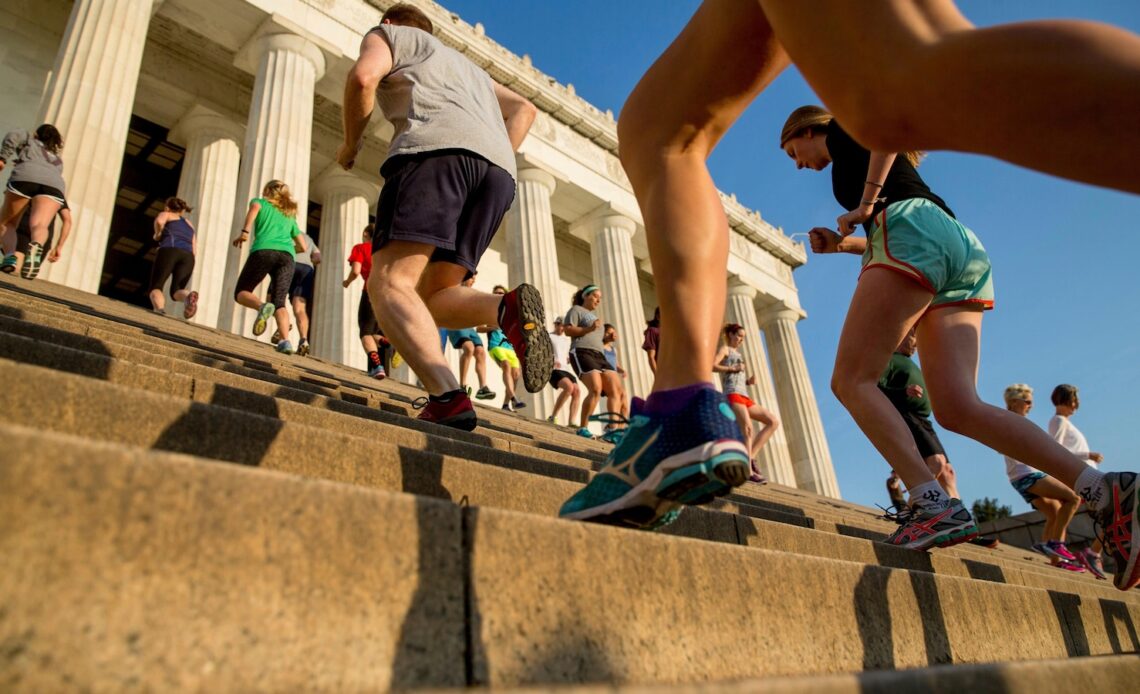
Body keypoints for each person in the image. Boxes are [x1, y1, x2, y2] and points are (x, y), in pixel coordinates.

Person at [573, 0, 1139, 590]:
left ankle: (930, 500)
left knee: (851, 379)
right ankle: (1104, 490)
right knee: (958, 406)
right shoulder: (856, 162)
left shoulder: (844, 130)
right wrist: (846, 242)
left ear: (806, 130)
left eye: (795, 154)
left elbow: (884, 128)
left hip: (909, 229)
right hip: (955, 244)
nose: (799, 167)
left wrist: (866, 204)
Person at [337, 2, 550, 432]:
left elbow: (363, 78)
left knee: (389, 282)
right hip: (498, 174)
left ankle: (447, 395)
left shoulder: (391, 35)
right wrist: (494, 154)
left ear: (390, 22)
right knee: (434, 295)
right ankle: (504, 307)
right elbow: (525, 109)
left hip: (434, 153)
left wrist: (350, 145)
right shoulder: (468, 69)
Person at [1002, 385, 1090, 574]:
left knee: (1054, 512)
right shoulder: (1014, 420)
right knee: (1073, 498)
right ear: (1014, 402)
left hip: (1018, 476)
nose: (1030, 406)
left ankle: (1055, 559)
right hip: (1027, 474)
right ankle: (1055, 544)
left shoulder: (1012, 420)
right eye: (1027, 402)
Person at [876, 329, 959, 500]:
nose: (916, 345)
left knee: (947, 472)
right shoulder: (889, 359)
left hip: (924, 420)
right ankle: (914, 511)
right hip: (907, 415)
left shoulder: (910, 363)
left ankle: (962, 519)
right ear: (902, 335)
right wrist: (903, 391)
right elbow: (877, 388)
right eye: (913, 338)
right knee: (936, 462)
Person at [231, 180, 306, 354]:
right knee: (280, 302)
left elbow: (253, 212)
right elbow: (302, 246)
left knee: (241, 292)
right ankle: (286, 341)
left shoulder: (259, 202)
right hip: (288, 257)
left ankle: (262, 307)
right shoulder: (290, 215)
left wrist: (244, 233)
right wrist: (286, 249)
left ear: (266, 190)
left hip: (264, 250)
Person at [1048, 384, 1108, 579]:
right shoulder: (1058, 421)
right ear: (1065, 400)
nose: (1077, 405)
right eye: (1074, 400)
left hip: (1084, 477)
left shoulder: (1064, 422)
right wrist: (1087, 454)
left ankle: (1090, 553)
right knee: (1113, 513)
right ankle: (1092, 553)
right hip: (1081, 479)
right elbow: (1054, 449)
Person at [713, 323, 779, 484]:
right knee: (748, 429)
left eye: (743, 337)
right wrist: (732, 369)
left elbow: (738, 378)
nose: (741, 340)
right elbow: (712, 365)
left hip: (744, 395)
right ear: (730, 334)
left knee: (773, 421)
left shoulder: (738, 353)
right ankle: (748, 471)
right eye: (739, 336)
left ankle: (750, 457)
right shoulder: (725, 350)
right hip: (732, 394)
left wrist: (749, 381)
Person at [0, 124, 66, 279]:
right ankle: (36, 245)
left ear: (37, 134)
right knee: (40, 225)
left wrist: (3, 157)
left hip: (25, 177)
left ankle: (10, 257)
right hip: (55, 185)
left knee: (7, 223)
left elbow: (13, 134)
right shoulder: (57, 160)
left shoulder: (29, 138)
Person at [564, 285, 623, 441]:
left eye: (600, 298)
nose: (598, 300)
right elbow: (568, 330)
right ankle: (583, 428)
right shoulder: (576, 310)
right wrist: (588, 329)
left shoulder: (597, 319)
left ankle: (612, 431)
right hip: (582, 351)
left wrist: (609, 337)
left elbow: (599, 339)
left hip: (600, 355)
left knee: (616, 390)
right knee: (595, 389)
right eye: (595, 296)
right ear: (585, 296)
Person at [343, 224, 389, 379]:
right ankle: (389, 342)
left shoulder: (361, 248)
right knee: (374, 331)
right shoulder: (386, 251)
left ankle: (377, 366)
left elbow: (356, 271)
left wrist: (347, 282)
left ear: (365, 234)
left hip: (371, 290)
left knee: (365, 332)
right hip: (390, 293)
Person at [445, 271, 496, 400]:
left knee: (480, 352)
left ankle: (483, 387)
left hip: (470, 328)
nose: (474, 281)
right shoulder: (455, 290)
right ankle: (462, 385)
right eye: (472, 278)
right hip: (456, 323)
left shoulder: (473, 295)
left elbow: (478, 327)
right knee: (469, 348)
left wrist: (492, 327)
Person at [148, 197, 199, 319]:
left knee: (156, 286)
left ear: (167, 207)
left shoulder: (166, 214)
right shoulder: (189, 224)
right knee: (176, 290)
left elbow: (159, 222)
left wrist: (157, 234)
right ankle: (188, 296)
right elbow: (194, 247)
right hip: (188, 257)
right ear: (182, 211)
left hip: (169, 250)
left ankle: (160, 310)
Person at [271, 232, 320, 356]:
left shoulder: (286, 231)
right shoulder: (308, 238)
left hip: (288, 263)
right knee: (300, 309)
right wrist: (308, 260)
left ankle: (284, 323)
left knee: (274, 300)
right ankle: (304, 340)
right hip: (306, 270)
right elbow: (318, 258)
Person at [484, 285, 526, 412]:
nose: (498, 295)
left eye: (501, 293)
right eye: (496, 293)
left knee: (516, 375)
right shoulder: (488, 310)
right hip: (495, 345)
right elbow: (479, 328)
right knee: (506, 365)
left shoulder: (510, 314)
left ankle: (506, 405)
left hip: (510, 347)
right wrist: (493, 327)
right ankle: (514, 397)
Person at [9, 200, 70, 277]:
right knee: (29, 269)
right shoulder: (58, 194)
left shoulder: (29, 187)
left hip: (23, 226)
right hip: (43, 234)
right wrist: (59, 246)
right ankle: (34, 250)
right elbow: (67, 220)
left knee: (15, 267)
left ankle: (15, 268)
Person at [547, 317, 580, 426]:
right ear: (555, 325)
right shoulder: (549, 336)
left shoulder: (567, 340)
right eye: (560, 325)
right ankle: (553, 416)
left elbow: (566, 354)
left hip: (566, 368)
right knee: (569, 387)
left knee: (577, 391)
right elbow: (543, 351)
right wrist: (551, 361)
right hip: (554, 369)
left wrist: (570, 359)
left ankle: (572, 421)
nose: (562, 328)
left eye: (564, 326)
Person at [602, 323, 631, 421]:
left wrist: (622, 370)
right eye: (608, 333)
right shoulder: (599, 347)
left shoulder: (613, 349)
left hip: (614, 375)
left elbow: (616, 364)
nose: (611, 335)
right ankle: (612, 424)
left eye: (612, 333)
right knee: (615, 396)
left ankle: (622, 429)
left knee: (624, 398)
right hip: (605, 375)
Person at [642, 307, 660, 374]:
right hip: (665, 372)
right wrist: (657, 375)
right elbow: (651, 357)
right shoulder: (652, 331)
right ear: (658, 317)